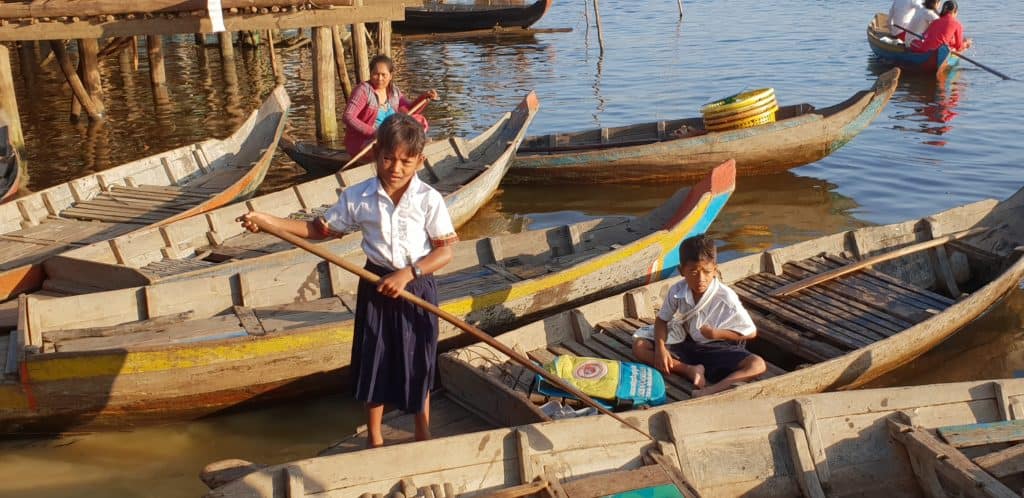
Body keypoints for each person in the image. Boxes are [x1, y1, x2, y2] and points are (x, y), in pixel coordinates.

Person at [237, 113, 458, 447]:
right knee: (375, 359)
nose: (395, 169)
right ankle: (375, 438)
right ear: (374, 154)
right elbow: (317, 230)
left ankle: (422, 434)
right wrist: (269, 221)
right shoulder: (358, 196)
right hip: (375, 283)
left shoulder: (428, 199)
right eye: (387, 159)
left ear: (420, 161)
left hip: (417, 285)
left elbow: (444, 252)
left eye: (405, 162)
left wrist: (408, 274)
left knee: (419, 361)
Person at [631, 235, 766, 396]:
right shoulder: (677, 291)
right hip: (688, 341)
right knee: (639, 347)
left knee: (758, 364)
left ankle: (711, 391)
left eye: (707, 272)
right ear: (682, 271)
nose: (701, 279)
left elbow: (751, 332)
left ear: (715, 270)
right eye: (693, 272)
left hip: (718, 347)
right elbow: (661, 320)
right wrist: (660, 349)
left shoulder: (725, 297)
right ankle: (689, 370)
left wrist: (716, 333)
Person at [342, 54, 439, 162]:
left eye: (384, 75)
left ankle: (405, 152)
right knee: (391, 145)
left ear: (390, 75)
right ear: (370, 73)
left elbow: (410, 110)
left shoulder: (393, 91)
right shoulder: (363, 90)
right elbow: (348, 116)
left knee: (418, 119)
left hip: (390, 137)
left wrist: (425, 97)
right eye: (375, 74)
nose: (379, 78)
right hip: (367, 142)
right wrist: (374, 132)